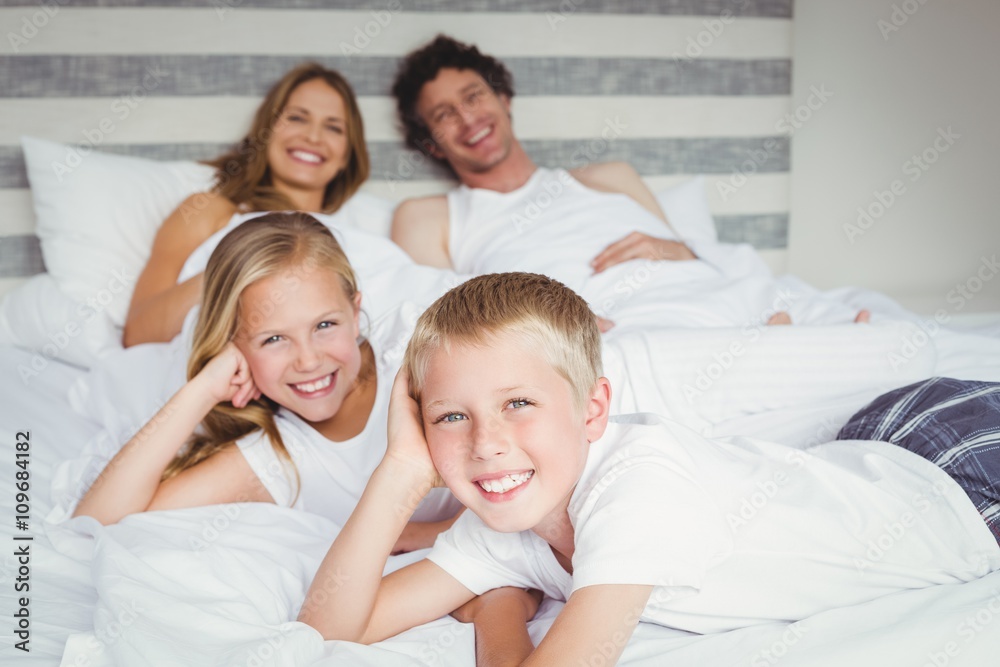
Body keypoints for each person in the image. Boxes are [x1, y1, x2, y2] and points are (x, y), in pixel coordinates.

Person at [298, 272, 999, 665]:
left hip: (959, 476)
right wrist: (399, 468)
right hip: (870, 447)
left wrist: (499, 609)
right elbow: (328, 629)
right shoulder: (503, 511)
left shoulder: (637, 485)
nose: (486, 442)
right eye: (452, 415)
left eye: (518, 402)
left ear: (593, 408)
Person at [388, 35, 869, 330]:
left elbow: (697, 254)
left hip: (703, 298)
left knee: (864, 331)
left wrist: (676, 249)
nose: (468, 118)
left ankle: (784, 342)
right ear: (432, 144)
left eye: (474, 96)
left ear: (504, 98)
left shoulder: (609, 177)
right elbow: (440, 319)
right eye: (444, 115)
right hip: (607, 331)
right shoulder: (430, 217)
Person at [75, 213, 461, 552]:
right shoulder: (276, 456)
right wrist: (204, 388)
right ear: (236, 346)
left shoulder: (421, 357)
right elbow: (97, 522)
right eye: (273, 339)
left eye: (325, 325)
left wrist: (432, 534)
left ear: (355, 314)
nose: (309, 360)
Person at [123, 62, 370, 347]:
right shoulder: (209, 212)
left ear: (346, 156)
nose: (313, 137)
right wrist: (245, 266)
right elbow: (137, 334)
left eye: (333, 127)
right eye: (297, 118)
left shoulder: (359, 240)